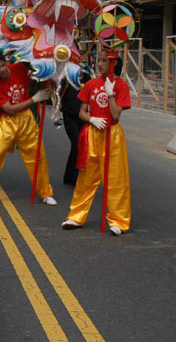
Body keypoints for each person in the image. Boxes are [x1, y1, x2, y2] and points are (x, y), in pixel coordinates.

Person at [0, 51, 56, 206]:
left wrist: (47, 76)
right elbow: (9, 109)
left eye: (3, 65)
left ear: (6, 63)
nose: (2, 70)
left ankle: (45, 193)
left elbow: (37, 76)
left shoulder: (19, 69)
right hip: (7, 121)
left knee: (37, 156)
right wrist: (34, 99)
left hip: (26, 120)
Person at [62, 49, 131, 236]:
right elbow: (81, 113)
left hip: (112, 134)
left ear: (113, 63)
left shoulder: (121, 86)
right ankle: (76, 216)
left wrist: (110, 94)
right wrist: (92, 119)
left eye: (103, 61)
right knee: (86, 178)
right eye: (98, 60)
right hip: (93, 133)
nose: (99, 64)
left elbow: (115, 115)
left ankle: (118, 220)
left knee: (115, 179)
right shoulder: (91, 84)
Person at [59, 73, 89, 186]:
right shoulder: (67, 77)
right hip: (69, 116)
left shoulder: (87, 77)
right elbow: (58, 93)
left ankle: (69, 175)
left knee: (81, 146)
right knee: (76, 144)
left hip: (82, 117)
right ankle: (73, 177)